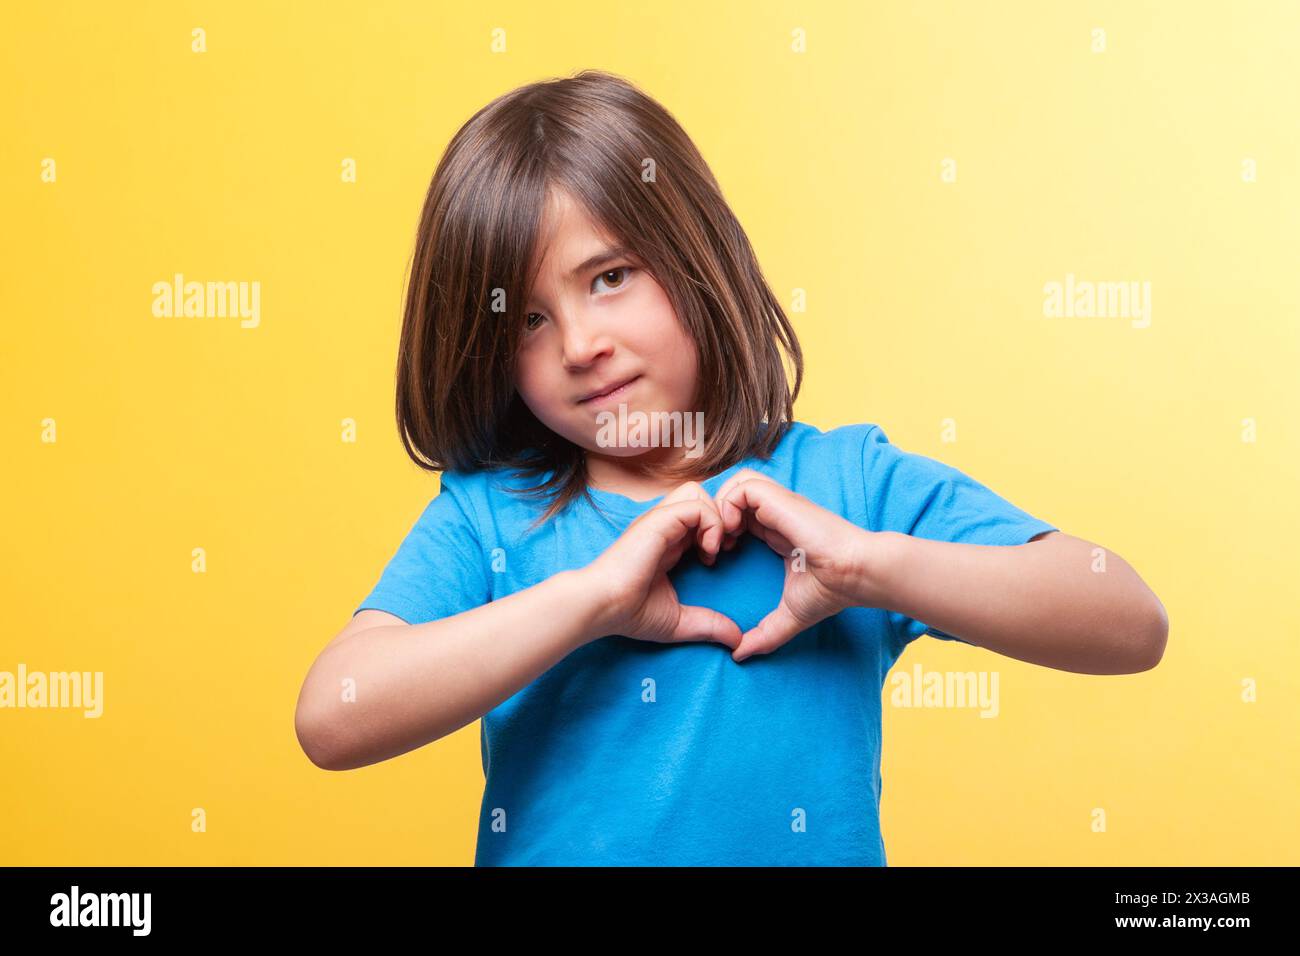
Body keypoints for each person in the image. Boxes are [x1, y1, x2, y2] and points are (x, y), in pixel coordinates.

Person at [294, 69, 1168, 866]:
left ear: (694, 253)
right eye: (527, 320)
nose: (581, 345)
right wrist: (591, 602)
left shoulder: (844, 485)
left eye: (609, 277)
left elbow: (1127, 621)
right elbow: (334, 715)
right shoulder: (490, 517)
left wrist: (869, 566)